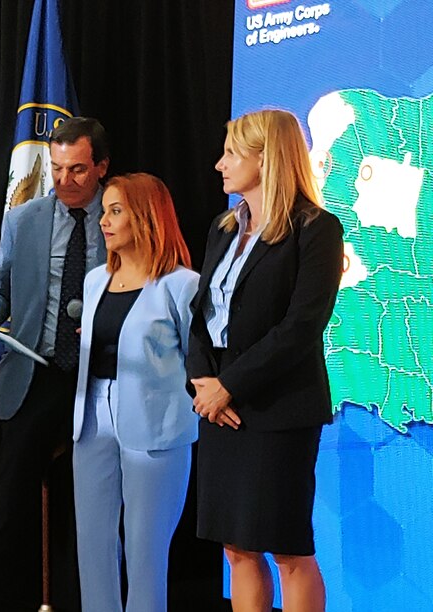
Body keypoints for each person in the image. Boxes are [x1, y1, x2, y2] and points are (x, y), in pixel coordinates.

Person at [188, 109, 343, 612]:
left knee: (288, 548)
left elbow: (302, 326)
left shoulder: (315, 229)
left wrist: (229, 385)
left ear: (266, 158)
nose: (219, 164)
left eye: (231, 153)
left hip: (278, 408)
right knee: (237, 547)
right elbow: (200, 313)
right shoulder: (223, 227)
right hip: (220, 407)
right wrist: (202, 382)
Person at [0, 117, 110, 611]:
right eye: (56, 168)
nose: (64, 180)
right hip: (36, 372)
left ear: (101, 168)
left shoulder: (120, 216)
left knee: (91, 505)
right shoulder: (23, 220)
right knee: (10, 505)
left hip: (102, 377)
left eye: (76, 170)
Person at [71, 173, 198, 612]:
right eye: (104, 211)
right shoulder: (93, 282)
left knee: (145, 549)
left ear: (145, 217)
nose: (103, 220)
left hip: (155, 424)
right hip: (91, 418)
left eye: (116, 211)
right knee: (93, 543)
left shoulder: (181, 284)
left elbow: (199, 361)